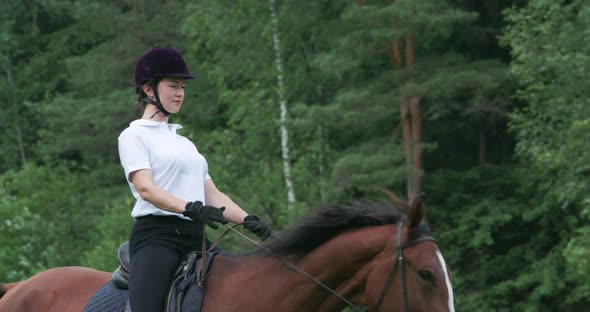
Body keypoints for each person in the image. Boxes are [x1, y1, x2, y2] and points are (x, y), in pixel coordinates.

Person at [117, 47, 271, 312]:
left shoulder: (185, 143)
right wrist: (190, 207)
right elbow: (146, 188)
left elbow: (211, 194)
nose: (180, 93)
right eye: (173, 86)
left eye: (183, 87)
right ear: (149, 90)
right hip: (157, 238)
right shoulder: (134, 136)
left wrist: (247, 219)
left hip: (195, 238)